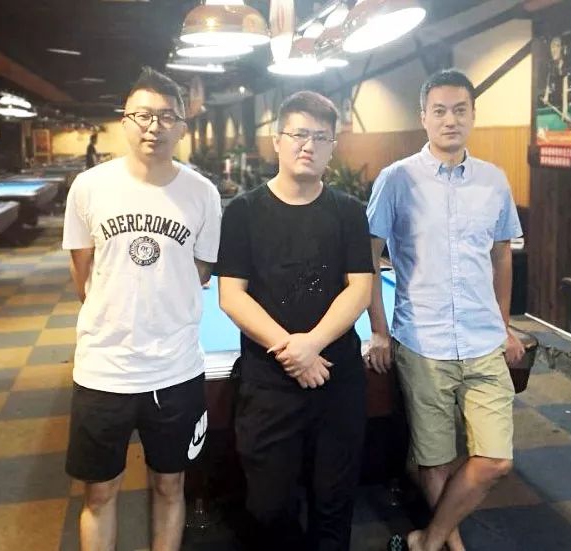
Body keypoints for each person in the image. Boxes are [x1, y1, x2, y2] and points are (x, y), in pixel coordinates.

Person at [62, 66, 221, 551]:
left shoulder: (203, 194)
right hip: (103, 370)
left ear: (182, 127)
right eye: (142, 115)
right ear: (124, 121)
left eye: (167, 116)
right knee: (99, 493)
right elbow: (82, 272)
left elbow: (200, 272)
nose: (154, 126)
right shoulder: (88, 187)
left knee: (170, 486)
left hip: (175, 369)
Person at [365, 69, 525, 551]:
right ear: (424, 117)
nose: (450, 120)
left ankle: (428, 539)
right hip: (423, 341)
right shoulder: (396, 179)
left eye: (459, 110)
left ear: (473, 115)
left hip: (483, 341)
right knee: (433, 461)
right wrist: (378, 329)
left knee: (496, 460)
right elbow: (368, 258)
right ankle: (450, 546)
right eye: (439, 111)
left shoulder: (494, 180)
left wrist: (504, 325)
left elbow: (501, 255)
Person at [215, 91, 373, 551]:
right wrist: (292, 350)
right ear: (277, 140)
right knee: (268, 507)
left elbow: (360, 288)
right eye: (299, 134)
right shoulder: (243, 211)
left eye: (321, 137)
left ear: (332, 147)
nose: (309, 145)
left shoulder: (348, 211)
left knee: (334, 504)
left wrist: (312, 345)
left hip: (337, 377)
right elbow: (231, 295)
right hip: (269, 380)